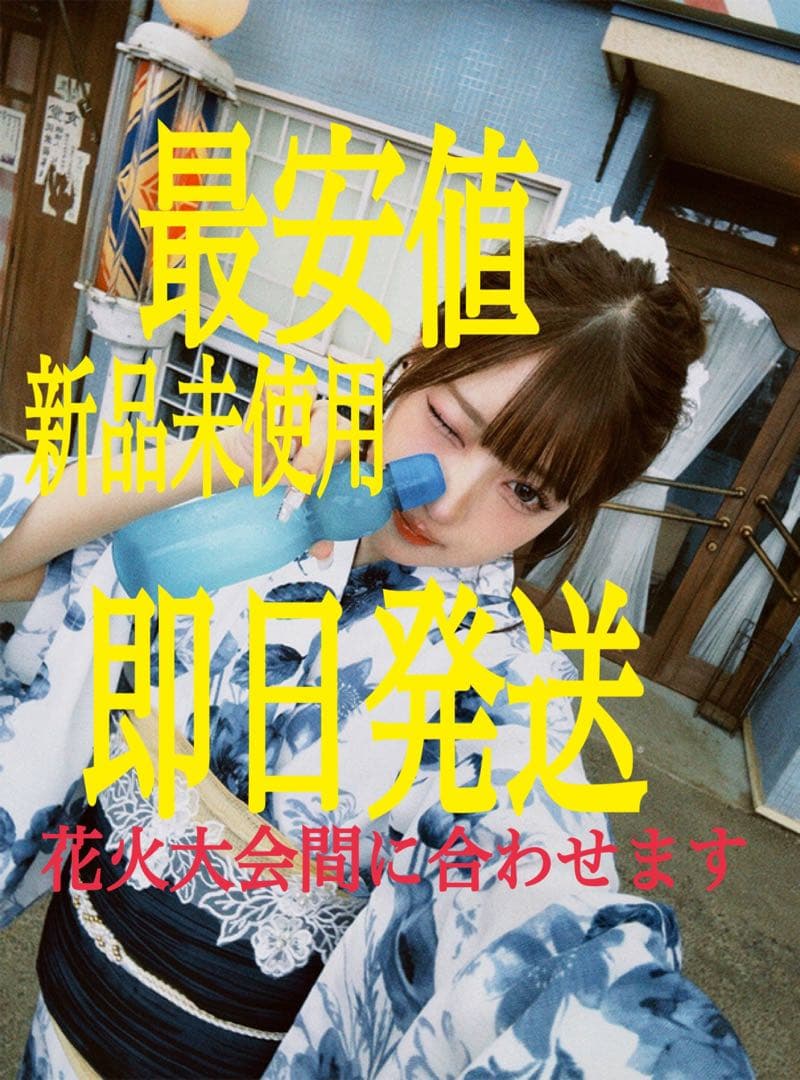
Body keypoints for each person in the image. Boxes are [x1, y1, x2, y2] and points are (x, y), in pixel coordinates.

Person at [0, 217, 754, 1078]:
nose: (448, 501)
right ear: (418, 358)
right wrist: (228, 457)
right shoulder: (250, 506)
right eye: (449, 424)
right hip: (54, 1028)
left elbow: (547, 933)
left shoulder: (503, 692)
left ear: (567, 515)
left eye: (526, 490)